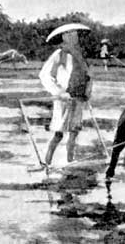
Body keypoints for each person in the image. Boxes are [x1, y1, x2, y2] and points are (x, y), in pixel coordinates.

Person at [39, 23, 92, 166]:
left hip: (79, 97)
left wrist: (88, 91)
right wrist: (58, 92)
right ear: (65, 37)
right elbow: (45, 75)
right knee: (59, 132)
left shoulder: (80, 55)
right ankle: (47, 162)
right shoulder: (59, 54)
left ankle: (70, 160)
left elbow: (87, 75)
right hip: (64, 98)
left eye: (75, 34)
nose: (75, 37)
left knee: (74, 131)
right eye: (71, 35)